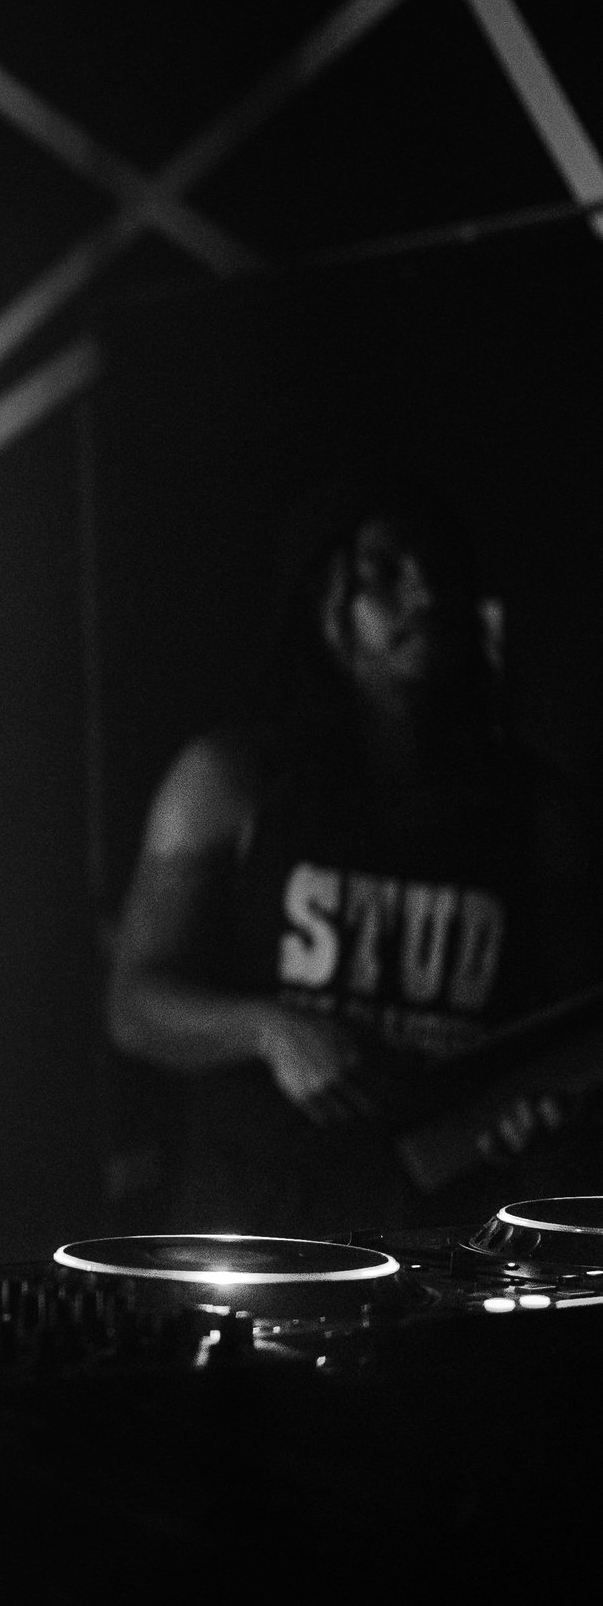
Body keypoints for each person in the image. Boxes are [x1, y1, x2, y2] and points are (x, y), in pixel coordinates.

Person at [106, 475, 595, 1237]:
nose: (424, 589)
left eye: (440, 567)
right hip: (262, 1222)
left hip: (453, 1234)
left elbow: (571, 1029)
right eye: (386, 570)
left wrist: (538, 1103)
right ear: (322, 600)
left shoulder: (537, 806)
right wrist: (269, 1029)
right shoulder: (232, 778)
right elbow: (133, 1004)